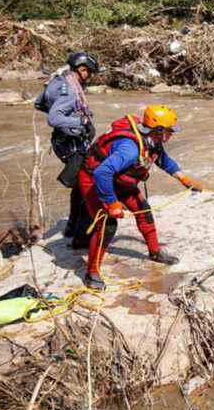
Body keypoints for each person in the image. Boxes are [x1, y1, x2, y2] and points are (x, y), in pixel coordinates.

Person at [77, 105, 203, 290]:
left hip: (119, 180)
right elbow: (102, 173)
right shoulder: (129, 149)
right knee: (107, 226)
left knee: (144, 211)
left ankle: (155, 252)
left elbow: (162, 159)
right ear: (158, 131)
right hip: (95, 179)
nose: (172, 135)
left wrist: (183, 178)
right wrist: (111, 203)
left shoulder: (151, 139)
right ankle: (92, 273)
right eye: (170, 131)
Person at [34, 52, 104, 248]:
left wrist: (67, 120)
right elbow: (53, 118)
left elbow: (39, 103)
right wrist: (78, 121)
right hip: (71, 144)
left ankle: (72, 226)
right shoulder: (71, 91)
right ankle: (80, 238)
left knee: (79, 186)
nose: (89, 77)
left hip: (63, 141)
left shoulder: (58, 81)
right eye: (89, 72)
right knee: (87, 185)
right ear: (82, 69)